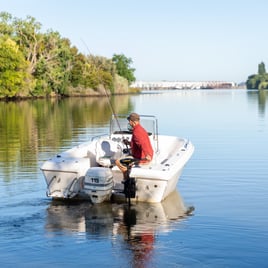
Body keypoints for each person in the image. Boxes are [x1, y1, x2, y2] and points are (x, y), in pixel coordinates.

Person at [115, 112, 154, 180]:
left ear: (131, 121)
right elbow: (137, 143)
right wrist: (128, 143)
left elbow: (142, 144)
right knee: (126, 157)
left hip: (141, 159)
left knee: (118, 162)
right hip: (142, 155)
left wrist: (147, 155)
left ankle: (127, 178)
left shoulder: (137, 132)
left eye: (129, 121)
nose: (129, 123)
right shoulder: (140, 129)